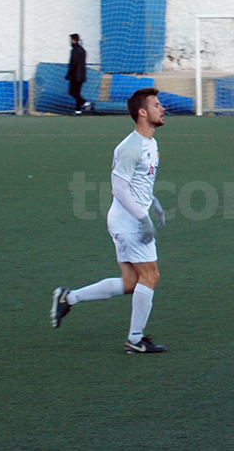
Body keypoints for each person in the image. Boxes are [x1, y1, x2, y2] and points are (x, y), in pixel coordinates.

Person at [51, 87, 169, 354]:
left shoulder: (150, 143)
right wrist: (143, 219)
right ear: (142, 112)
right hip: (130, 222)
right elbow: (119, 188)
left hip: (127, 219)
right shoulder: (130, 147)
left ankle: (69, 297)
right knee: (151, 276)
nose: (162, 109)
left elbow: (140, 182)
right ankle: (135, 340)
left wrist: (155, 204)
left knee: (130, 282)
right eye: (156, 105)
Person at [65, 33, 92, 115]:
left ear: (73, 40)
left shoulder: (74, 50)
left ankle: (85, 103)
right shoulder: (82, 50)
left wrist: (69, 73)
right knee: (77, 93)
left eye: (70, 40)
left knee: (72, 92)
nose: (70, 41)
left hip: (75, 75)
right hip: (82, 75)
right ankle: (78, 110)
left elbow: (73, 63)